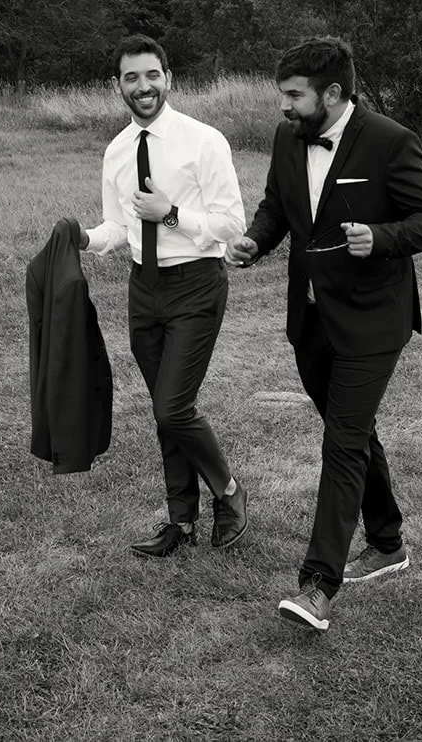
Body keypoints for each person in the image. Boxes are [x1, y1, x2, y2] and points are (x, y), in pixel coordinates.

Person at [226, 36, 422, 631]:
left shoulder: (390, 140)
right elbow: (279, 206)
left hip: (375, 318)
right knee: (350, 430)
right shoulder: (286, 137)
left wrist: (381, 237)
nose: (285, 107)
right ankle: (389, 541)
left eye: (294, 96)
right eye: (283, 95)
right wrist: (255, 241)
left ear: (332, 93)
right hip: (310, 318)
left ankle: (316, 586)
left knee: (342, 442)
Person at [83, 34, 250, 557]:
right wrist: (84, 239)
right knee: (163, 408)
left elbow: (231, 223)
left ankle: (228, 491)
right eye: (131, 78)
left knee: (174, 409)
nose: (143, 86)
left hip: (196, 285)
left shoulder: (205, 141)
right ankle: (181, 521)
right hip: (143, 288)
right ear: (118, 87)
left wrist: (171, 213)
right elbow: (118, 225)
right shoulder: (115, 151)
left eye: (151, 74)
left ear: (168, 78)